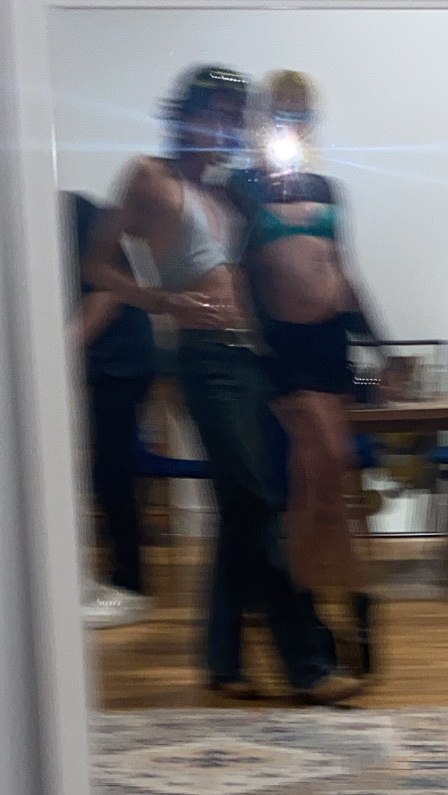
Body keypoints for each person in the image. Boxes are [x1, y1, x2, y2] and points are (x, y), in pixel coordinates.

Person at [84, 64, 361, 703]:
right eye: (214, 114)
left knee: (242, 508)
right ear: (184, 113)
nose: (224, 128)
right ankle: (308, 666)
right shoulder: (148, 176)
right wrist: (159, 300)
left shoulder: (224, 190)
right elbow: (96, 263)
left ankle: (222, 660)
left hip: (252, 358)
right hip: (205, 359)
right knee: (257, 504)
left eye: (233, 119)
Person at [227, 70, 387, 675]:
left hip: (329, 348)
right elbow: (236, 277)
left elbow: (343, 274)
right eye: (281, 111)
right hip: (280, 353)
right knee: (310, 483)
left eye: (300, 112)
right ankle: (337, 608)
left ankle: (341, 608)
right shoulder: (242, 188)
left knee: (328, 483)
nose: (290, 122)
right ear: (262, 118)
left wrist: (380, 345)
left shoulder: (327, 188)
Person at [66, 192, 155, 626]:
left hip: (121, 359)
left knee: (111, 469)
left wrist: (58, 354)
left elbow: (108, 293)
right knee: (104, 469)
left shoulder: (72, 214)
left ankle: (130, 586)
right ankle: (117, 579)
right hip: (106, 359)